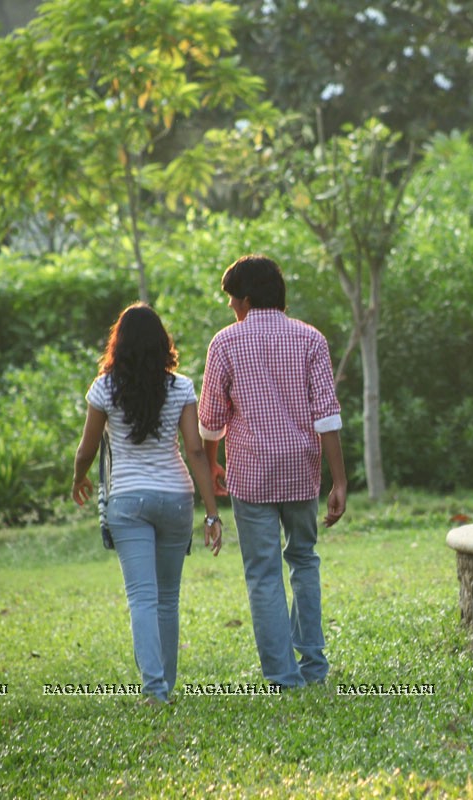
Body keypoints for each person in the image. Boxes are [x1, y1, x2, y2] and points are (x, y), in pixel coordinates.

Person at [198, 254, 347, 688]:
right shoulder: (311, 339)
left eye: (232, 299)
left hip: (251, 473)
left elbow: (211, 420)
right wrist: (339, 481)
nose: (230, 306)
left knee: (263, 574)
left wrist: (211, 462)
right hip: (302, 469)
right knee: (304, 560)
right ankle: (314, 666)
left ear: (246, 299)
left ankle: (283, 676)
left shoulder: (225, 342)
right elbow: (327, 416)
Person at [72, 302, 223, 705]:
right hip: (176, 497)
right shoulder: (180, 387)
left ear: (118, 344)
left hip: (128, 500)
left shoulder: (104, 389)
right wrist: (212, 513)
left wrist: (78, 477)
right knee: (167, 598)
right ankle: (165, 686)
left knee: (142, 596)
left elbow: (87, 448)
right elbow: (195, 451)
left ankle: (155, 691)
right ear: (162, 343)